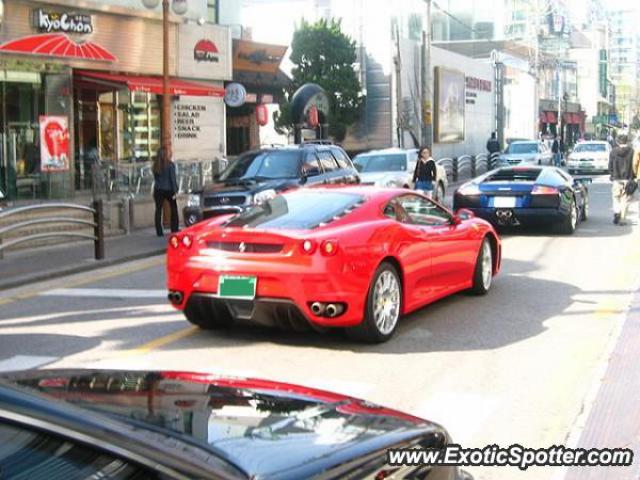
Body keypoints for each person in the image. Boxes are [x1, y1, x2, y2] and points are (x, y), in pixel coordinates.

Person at [608, 134, 635, 226]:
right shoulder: (632, 151)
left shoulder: (613, 152)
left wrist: (612, 175)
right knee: (625, 200)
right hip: (628, 179)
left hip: (616, 179)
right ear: (627, 141)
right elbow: (635, 164)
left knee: (616, 198)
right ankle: (623, 218)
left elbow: (610, 165)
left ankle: (617, 212)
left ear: (618, 141)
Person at [152, 147, 179, 236]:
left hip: (158, 190)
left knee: (158, 210)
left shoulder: (156, 165)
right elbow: (172, 179)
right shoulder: (170, 165)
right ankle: (174, 228)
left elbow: (155, 178)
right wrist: (175, 190)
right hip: (169, 190)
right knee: (173, 208)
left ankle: (159, 231)